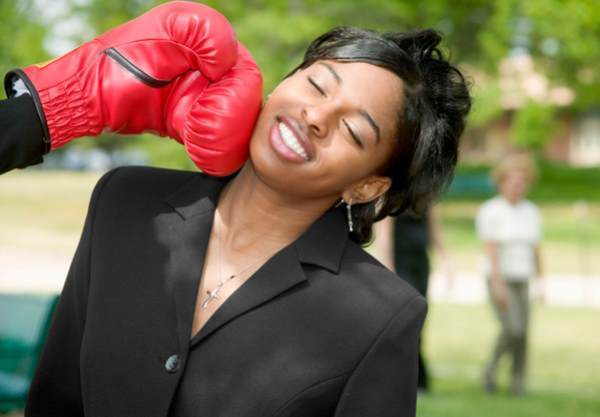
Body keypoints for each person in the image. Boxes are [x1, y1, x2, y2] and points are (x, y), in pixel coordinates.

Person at [3, 4, 472, 416]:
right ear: (284, 82)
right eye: (316, 85)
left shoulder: (382, 316)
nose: (315, 117)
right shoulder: (125, 202)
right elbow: (56, 399)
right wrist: (42, 114)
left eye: (352, 131)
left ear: (367, 185)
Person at [476, 153, 544, 395]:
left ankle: (518, 381)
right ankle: (490, 370)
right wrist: (498, 284)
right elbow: (492, 251)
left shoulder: (532, 212)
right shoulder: (491, 210)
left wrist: (541, 282)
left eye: (522, 181)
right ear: (502, 181)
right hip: (500, 278)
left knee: (523, 333)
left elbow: (536, 249)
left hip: (522, 278)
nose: (518, 185)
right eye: (513, 180)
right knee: (512, 329)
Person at [374, 206, 454, 393]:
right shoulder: (393, 195)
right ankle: (406, 378)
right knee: (405, 321)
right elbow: (384, 234)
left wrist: (446, 261)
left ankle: (418, 378)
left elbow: (434, 230)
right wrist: (389, 271)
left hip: (421, 263)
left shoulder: (427, 195)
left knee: (420, 319)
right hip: (401, 263)